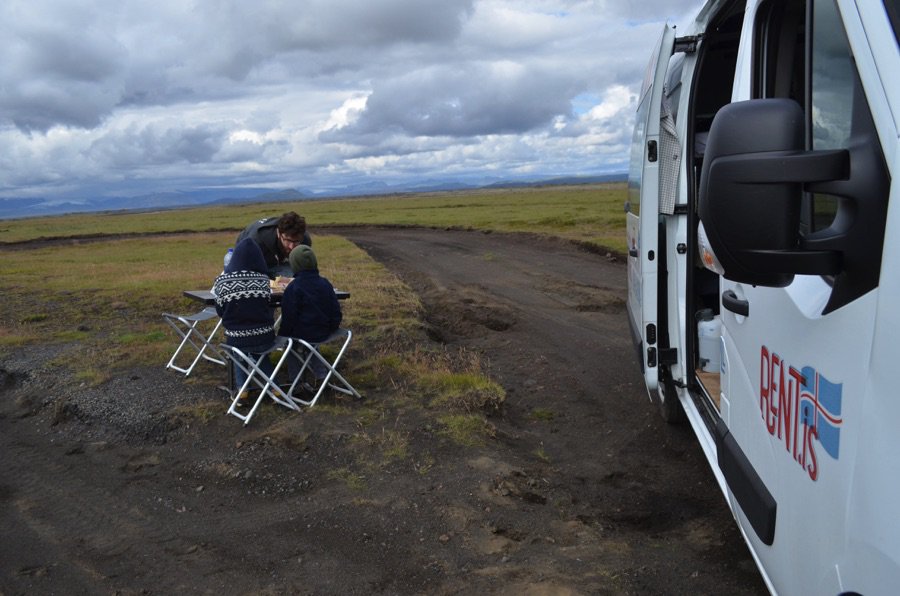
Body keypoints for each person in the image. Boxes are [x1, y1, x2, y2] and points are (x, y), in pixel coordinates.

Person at [213, 238, 276, 404]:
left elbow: (220, 312)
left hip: (237, 340)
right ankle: (273, 387)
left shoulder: (222, 282)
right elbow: (268, 307)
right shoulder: (264, 280)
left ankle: (242, 390)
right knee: (261, 354)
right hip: (265, 337)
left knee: (237, 351)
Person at [278, 244, 342, 384]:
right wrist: (333, 326)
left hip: (304, 333)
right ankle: (321, 376)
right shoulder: (325, 283)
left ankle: (296, 383)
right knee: (312, 344)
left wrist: (282, 336)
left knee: (291, 345)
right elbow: (335, 310)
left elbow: (289, 317)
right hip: (325, 331)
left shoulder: (293, 288)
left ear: (294, 265)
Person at [235, 211, 311, 278]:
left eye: (296, 241)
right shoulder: (256, 241)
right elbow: (248, 268)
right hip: (248, 261)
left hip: (275, 260)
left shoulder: (304, 240)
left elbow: (304, 269)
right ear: (279, 233)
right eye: (288, 240)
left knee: (296, 278)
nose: (292, 246)